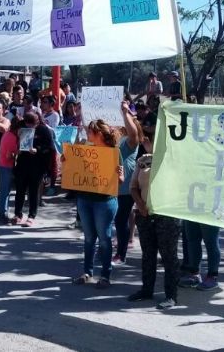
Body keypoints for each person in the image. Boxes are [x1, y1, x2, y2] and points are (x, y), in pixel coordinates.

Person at [128, 134, 181, 310]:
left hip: (166, 216)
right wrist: (140, 204)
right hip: (145, 215)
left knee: (169, 257)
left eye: (150, 140)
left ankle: (171, 296)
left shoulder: (173, 160)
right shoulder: (142, 161)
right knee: (148, 255)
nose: (146, 142)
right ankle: (146, 289)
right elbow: (133, 186)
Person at [70, 119, 125, 289]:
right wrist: (68, 160)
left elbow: (120, 181)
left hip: (105, 202)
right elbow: (73, 168)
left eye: (89, 133)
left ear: (98, 134)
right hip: (85, 199)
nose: (87, 135)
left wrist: (119, 174)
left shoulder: (114, 152)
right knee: (88, 238)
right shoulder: (86, 149)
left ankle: (105, 276)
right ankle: (87, 272)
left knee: (104, 239)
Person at [12, 112, 53, 227]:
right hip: (22, 163)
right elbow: (11, 133)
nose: (30, 127)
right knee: (20, 190)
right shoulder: (22, 127)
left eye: (33, 125)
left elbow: (49, 147)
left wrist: (37, 150)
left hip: (37, 165)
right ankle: (18, 214)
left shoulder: (44, 130)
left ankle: (31, 216)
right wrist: (18, 137)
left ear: (37, 122)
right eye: (28, 124)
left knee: (33, 191)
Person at [113, 101, 142, 266]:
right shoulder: (117, 140)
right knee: (115, 220)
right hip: (112, 186)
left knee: (121, 220)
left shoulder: (132, 141)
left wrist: (125, 113)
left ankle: (121, 254)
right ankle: (116, 249)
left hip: (125, 188)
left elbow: (132, 133)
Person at [0, 118, 20, 225]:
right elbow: (8, 155)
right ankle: (2, 215)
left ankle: (3, 213)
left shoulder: (7, 134)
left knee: (4, 191)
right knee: (5, 192)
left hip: (2, 165)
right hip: (6, 166)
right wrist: (17, 153)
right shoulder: (12, 137)